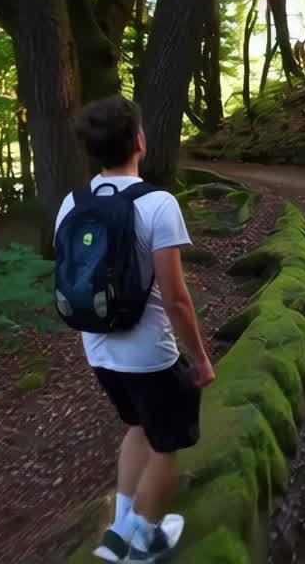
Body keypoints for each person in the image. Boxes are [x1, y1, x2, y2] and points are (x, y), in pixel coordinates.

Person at [56, 95, 216, 563]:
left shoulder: (73, 201)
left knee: (138, 427)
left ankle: (119, 528)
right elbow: (176, 298)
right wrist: (201, 358)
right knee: (168, 444)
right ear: (140, 142)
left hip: (98, 349)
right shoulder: (157, 203)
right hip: (150, 354)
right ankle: (144, 542)